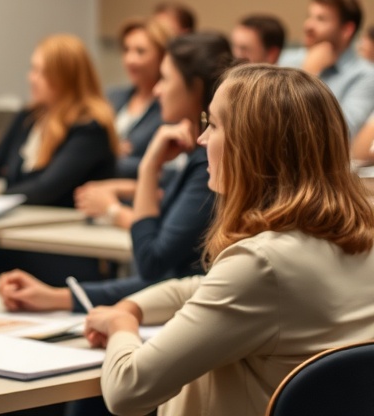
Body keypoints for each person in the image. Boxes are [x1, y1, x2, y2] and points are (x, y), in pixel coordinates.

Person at [83, 65, 374, 416]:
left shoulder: (261, 265)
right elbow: (204, 289)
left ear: (253, 147)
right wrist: (132, 307)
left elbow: (127, 391)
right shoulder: (348, 238)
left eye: (214, 125)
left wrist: (120, 327)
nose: (202, 139)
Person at [1, 33, 231, 313]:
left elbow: (153, 262)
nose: (157, 91)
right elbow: (168, 279)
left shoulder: (206, 166)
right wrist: (59, 297)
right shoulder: (195, 160)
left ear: (195, 88)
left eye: (166, 79)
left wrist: (147, 169)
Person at [0, 34, 118, 283]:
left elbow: (46, 188)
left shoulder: (90, 127)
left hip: (62, 245)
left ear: (64, 78)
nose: (31, 78)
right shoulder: (30, 116)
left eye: (40, 72)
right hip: (20, 233)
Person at [279, 0, 374, 136]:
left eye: (320, 19)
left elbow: (343, 134)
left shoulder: (366, 75)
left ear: (346, 30)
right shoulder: (287, 59)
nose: (308, 26)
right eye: (309, 17)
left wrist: (307, 75)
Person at [107, 18, 169, 177]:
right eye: (126, 50)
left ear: (162, 56)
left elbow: (163, 169)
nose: (130, 60)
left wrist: (105, 153)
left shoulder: (168, 108)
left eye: (140, 51)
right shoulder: (112, 96)